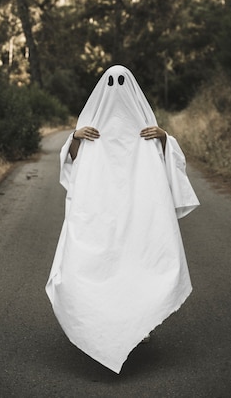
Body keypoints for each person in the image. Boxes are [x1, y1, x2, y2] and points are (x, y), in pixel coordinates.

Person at [45, 65, 199, 373]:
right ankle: (96, 325)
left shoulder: (145, 125)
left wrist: (165, 138)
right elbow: (73, 160)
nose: (116, 87)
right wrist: (75, 136)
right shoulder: (91, 124)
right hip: (100, 210)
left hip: (139, 209)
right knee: (99, 264)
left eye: (122, 81)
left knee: (138, 261)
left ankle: (139, 322)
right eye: (111, 81)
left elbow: (168, 159)